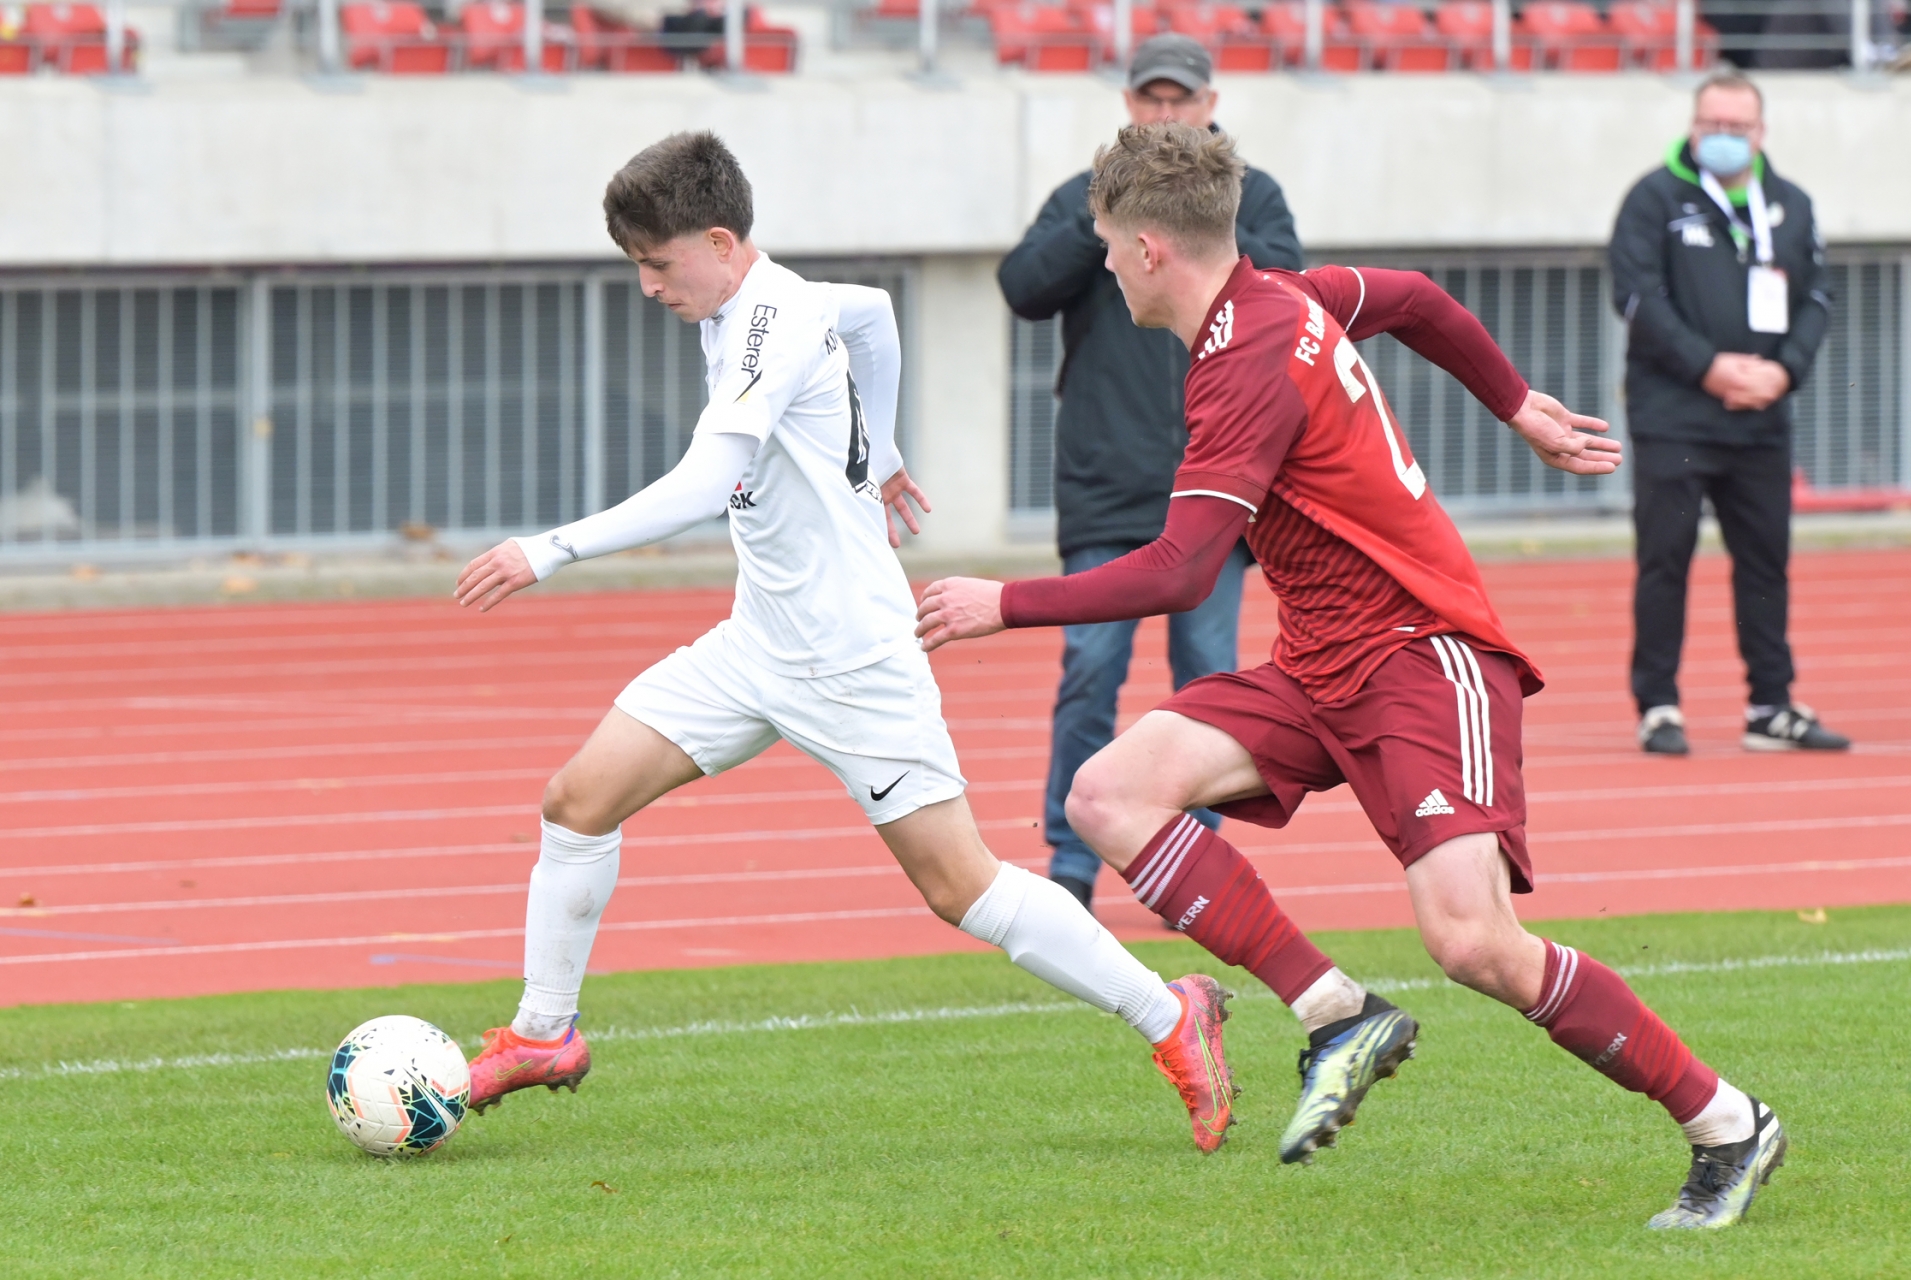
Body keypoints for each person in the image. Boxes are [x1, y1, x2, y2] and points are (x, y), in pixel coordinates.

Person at [919, 123, 1786, 1230]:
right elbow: (1416, 299)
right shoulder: (1282, 294)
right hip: (1320, 662)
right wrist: (1517, 404)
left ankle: (1726, 1121)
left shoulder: (1244, 359)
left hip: (1421, 656)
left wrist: (1003, 602)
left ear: (1146, 249)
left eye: (1103, 241)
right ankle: (1337, 1011)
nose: (1100, 261)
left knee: (1473, 944)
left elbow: (1182, 570)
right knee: (1108, 794)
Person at [451, 131, 1239, 1153]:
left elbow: (703, 483)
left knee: (960, 886)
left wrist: (548, 548)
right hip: (756, 644)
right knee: (577, 800)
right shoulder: (763, 299)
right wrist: (885, 447)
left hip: (854, 660)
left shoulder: (768, 326)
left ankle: (1171, 1012)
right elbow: (871, 312)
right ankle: (544, 1033)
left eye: (656, 264)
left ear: (721, 242)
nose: (647, 287)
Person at [998, 32, 1303, 913]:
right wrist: (1107, 215)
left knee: (1208, 683)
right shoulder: (1082, 197)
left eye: (1182, 100)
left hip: (1217, 485)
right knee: (1089, 673)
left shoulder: (1253, 196)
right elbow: (1022, 287)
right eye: (1152, 99)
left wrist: (1194, 221)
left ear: (1210, 107)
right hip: (1106, 485)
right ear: (1130, 106)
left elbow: (1289, 288)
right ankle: (1071, 859)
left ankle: (1193, 862)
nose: (1167, 114)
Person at [1610, 70, 1848, 757]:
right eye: (1711, 125)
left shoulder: (1791, 204)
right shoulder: (1654, 199)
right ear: (1692, 127)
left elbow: (1818, 298)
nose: (1723, 137)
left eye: (1736, 127)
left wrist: (1783, 371)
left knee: (1766, 563)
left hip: (1760, 419)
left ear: (1760, 132)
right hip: (1675, 418)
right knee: (1665, 561)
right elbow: (1636, 297)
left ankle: (1771, 705)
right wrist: (1708, 367)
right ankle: (1658, 705)